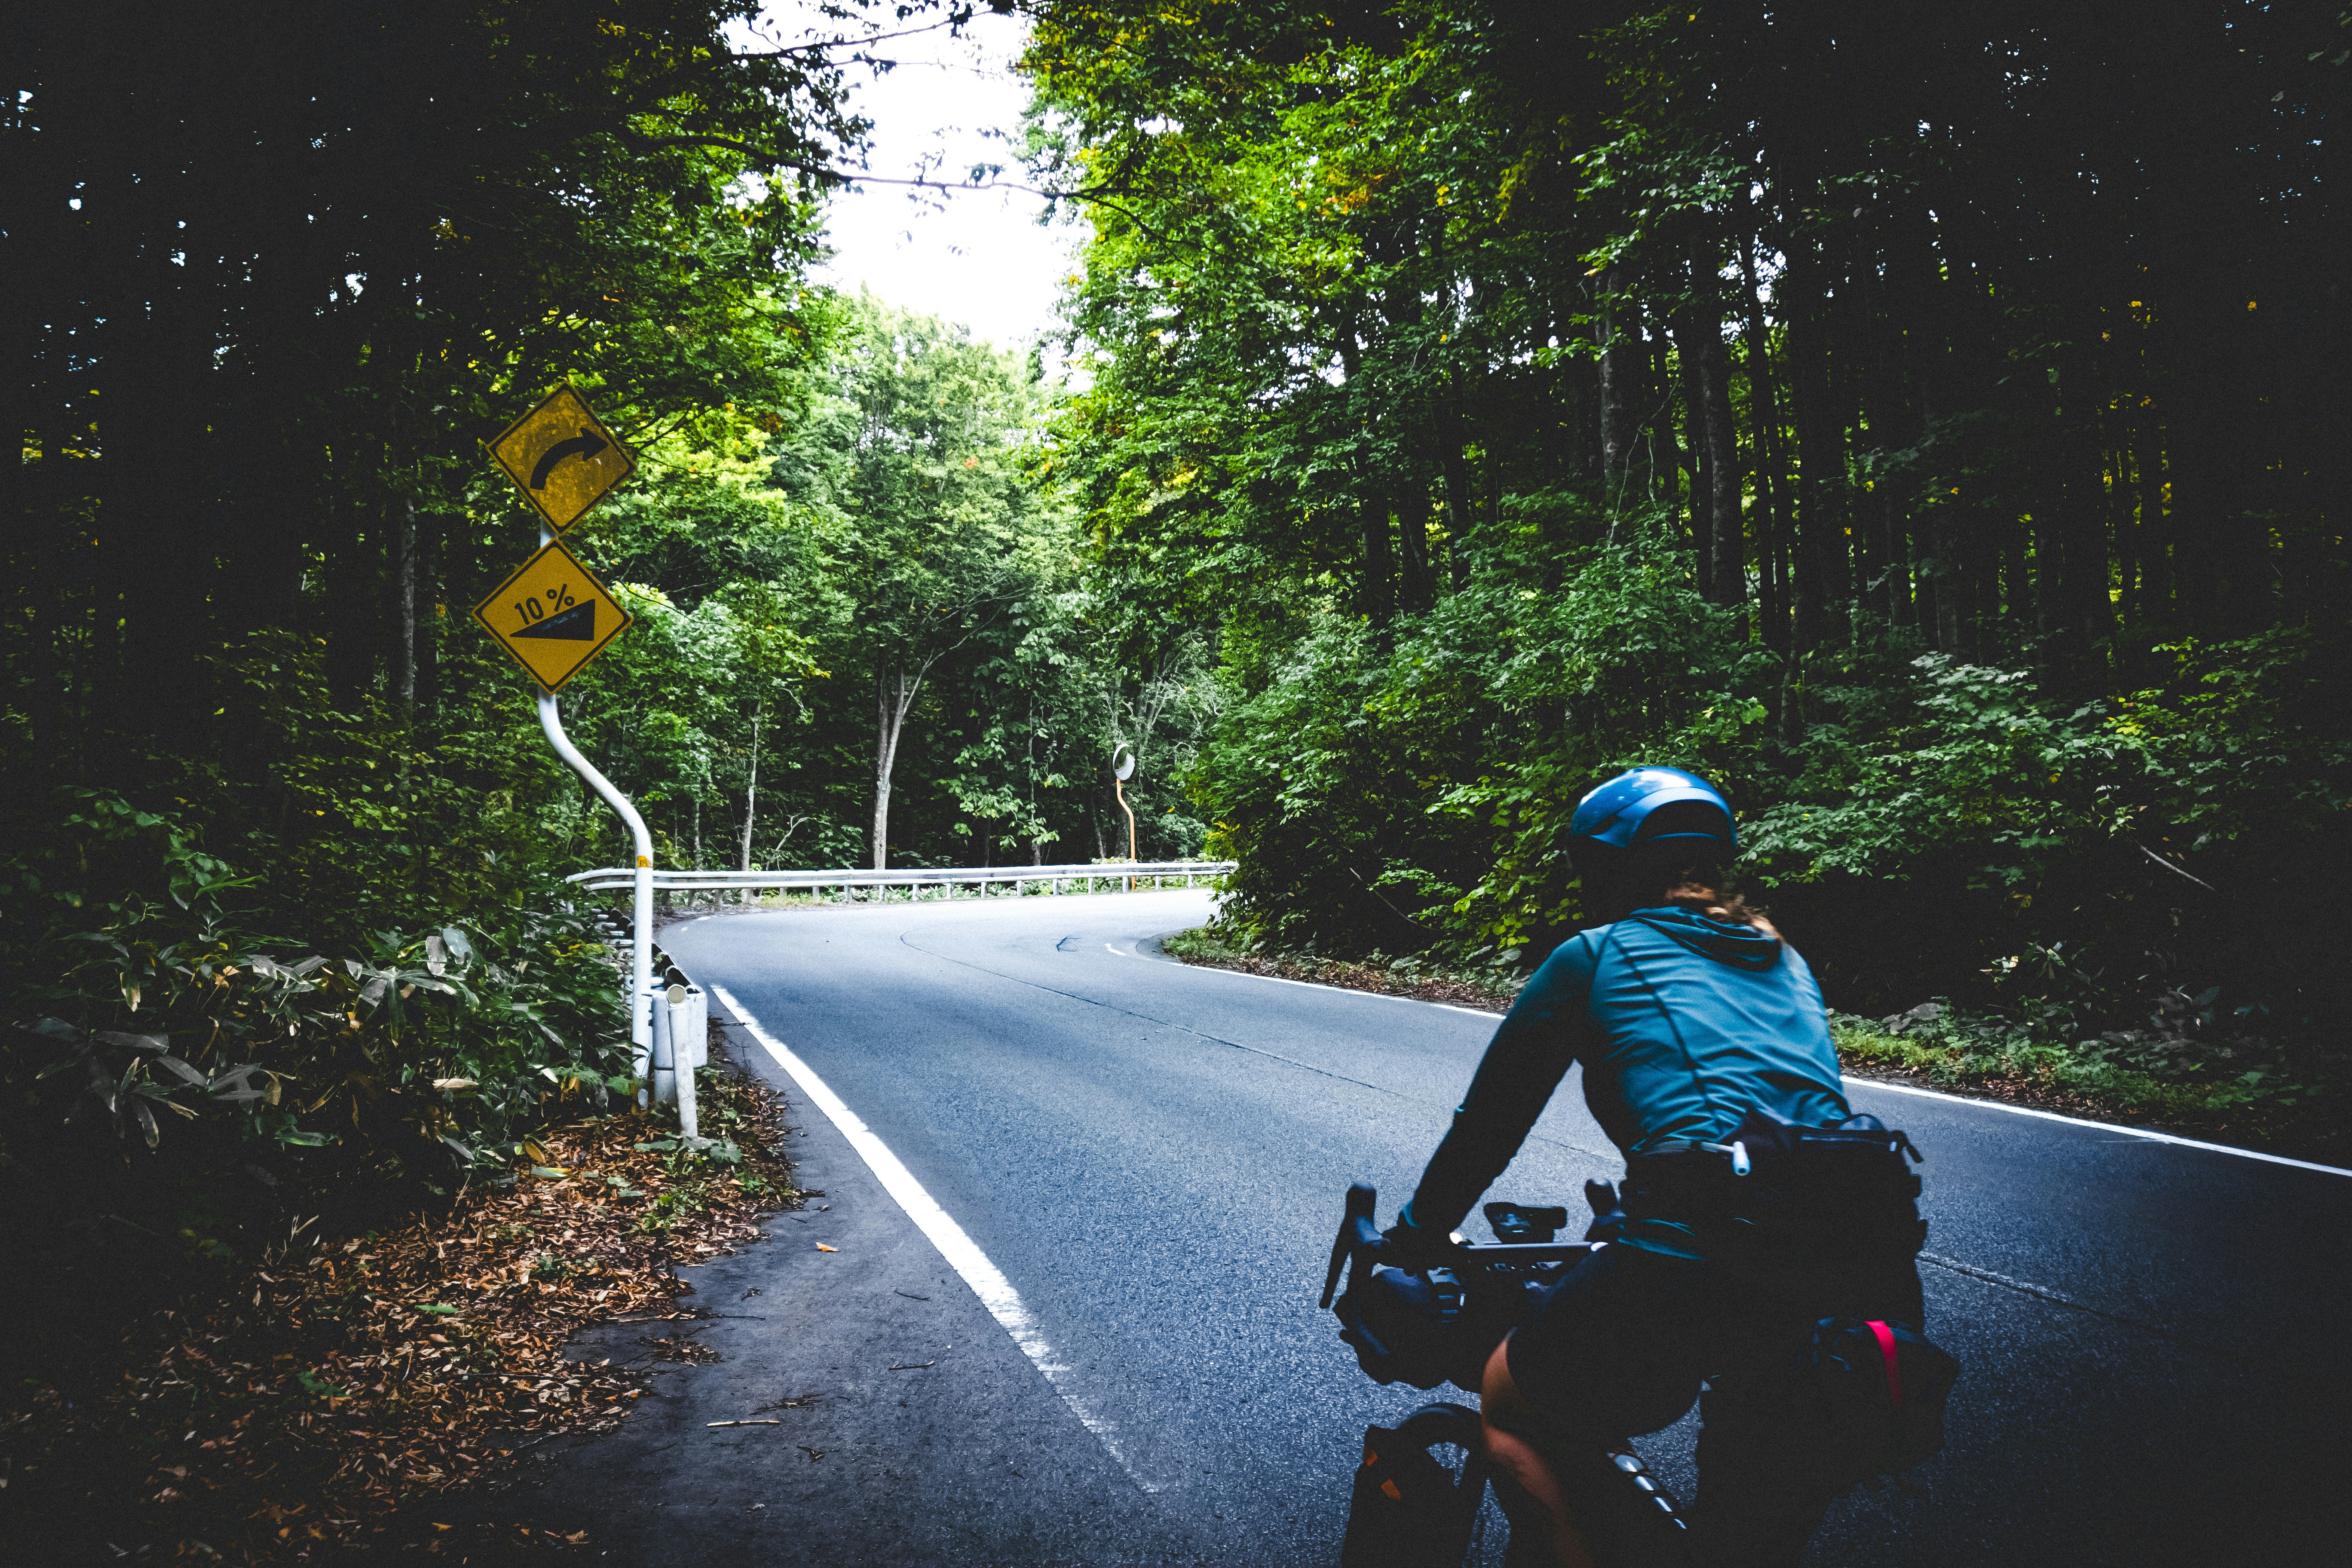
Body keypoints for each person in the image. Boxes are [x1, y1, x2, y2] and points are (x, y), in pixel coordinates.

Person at [1384, 766, 1927, 1568]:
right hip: (1863, 1278)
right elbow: (1776, 1127)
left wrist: (1416, 1234)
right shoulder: (1785, 959)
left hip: (1694, 1261)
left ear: (1602, 872)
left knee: (1511, 1402)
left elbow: (1489, 1128)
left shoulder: (1596, 958)